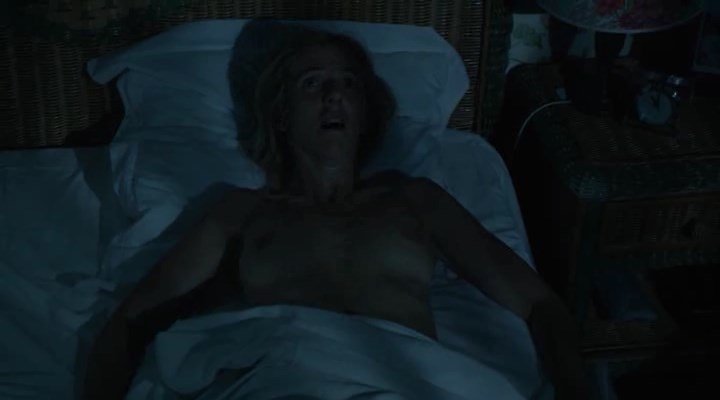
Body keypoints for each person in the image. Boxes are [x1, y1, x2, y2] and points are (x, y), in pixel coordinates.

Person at [83, 20, 588, 400]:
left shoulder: (416, 201)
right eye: (312, 83)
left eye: (348, 83)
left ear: (365, 110)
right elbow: (132, 319)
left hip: (402, 381)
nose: (333, 96)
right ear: (282, 114)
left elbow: (541, 306)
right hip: (290, 380)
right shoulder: (240, 213)